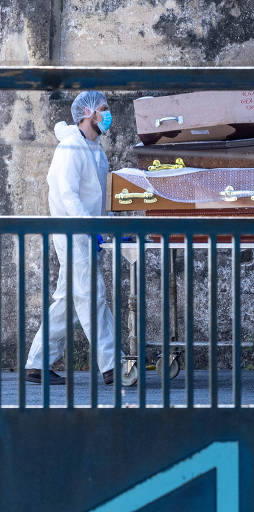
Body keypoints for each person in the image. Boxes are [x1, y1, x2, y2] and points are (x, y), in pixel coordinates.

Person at [25, 91, 119, 386]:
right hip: (75, 233)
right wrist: (88, 227)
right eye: (103, 109)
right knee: (93, 295)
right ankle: (113, 364)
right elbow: (67, 194)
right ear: (89, 113)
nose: (107, 114)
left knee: (68, 301)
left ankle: (37, 363)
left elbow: (99, 196)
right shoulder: (71, 147)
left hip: (88, 233)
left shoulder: (95, 149)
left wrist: (110, 226)